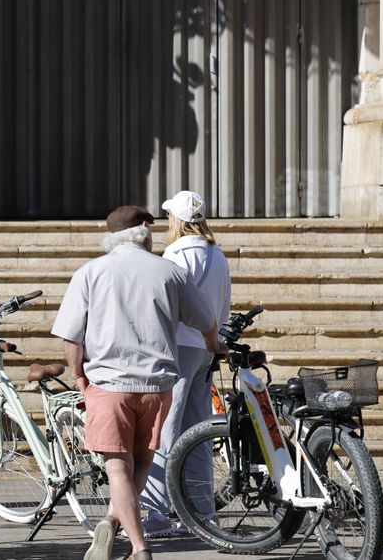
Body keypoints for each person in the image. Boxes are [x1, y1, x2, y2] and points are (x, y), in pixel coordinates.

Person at [51, 205, 220, 560]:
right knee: (141, 462)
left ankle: (140, 547)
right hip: (157, 386)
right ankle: (114, 521)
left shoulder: (90, 272)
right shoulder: (169, 272)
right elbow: (206, 320)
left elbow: (71, 338)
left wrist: (79, 375)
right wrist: (214, 347)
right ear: (145, 231)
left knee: (117, 468)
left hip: (108, 384)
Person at [141, 191, 231, 537]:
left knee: (164, 428)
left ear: (177, 220)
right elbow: (223, 305)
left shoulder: (176, 254)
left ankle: (158, 513)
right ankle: (203, 511)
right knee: (199, 430)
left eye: (169, 217)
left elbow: (168, 303)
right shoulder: (217, 254)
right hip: (207, 347)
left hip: (178, 345)